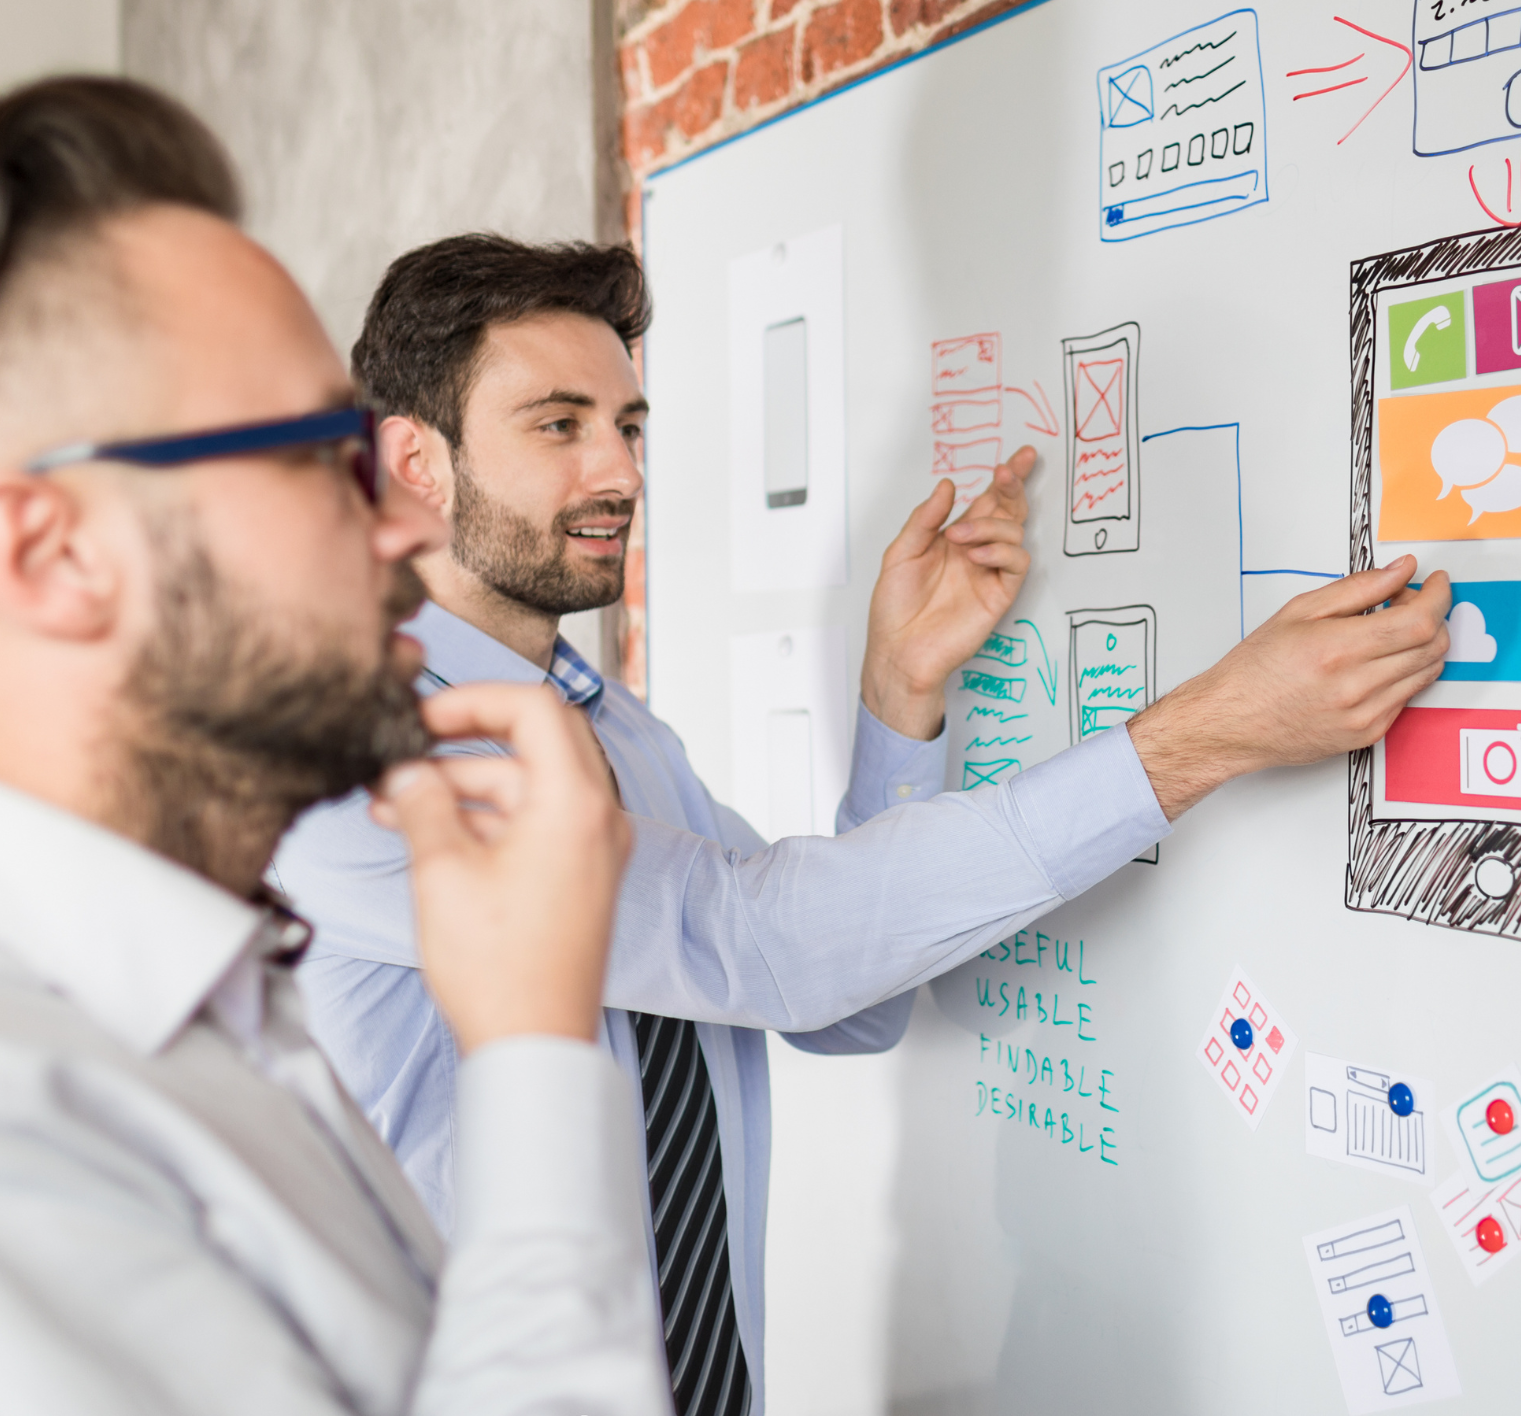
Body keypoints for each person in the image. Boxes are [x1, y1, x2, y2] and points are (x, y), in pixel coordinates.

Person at [275, 238, 1453, 1414]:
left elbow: (841, 1001)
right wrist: (1209, 733)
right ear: (411, 461)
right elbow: (770, 947)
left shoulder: (613, 728)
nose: (620, 472)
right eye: (558, 424)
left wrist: (900, 694)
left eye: (629, 426)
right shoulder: (360, 762)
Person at [0, 76, 672, 1414]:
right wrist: (531, 1044)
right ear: (54, 554)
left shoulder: (218, 992)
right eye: (317, 454)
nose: (409, 526)